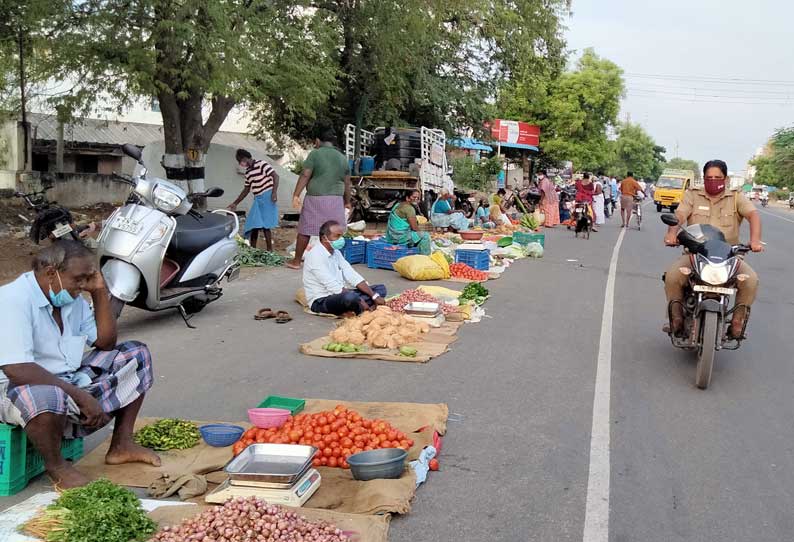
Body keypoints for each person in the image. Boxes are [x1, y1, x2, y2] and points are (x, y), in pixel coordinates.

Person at [0, 241, 160, 488]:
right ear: (52, 273)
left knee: (134, 354)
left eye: (88, 278)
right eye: (79, 279)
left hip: (65, 381)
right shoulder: (12, 300)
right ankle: (57, 466)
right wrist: (82, 397)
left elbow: (105, 342)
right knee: (47, 395)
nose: (83, 286)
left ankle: (121, 444)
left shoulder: (70, 298)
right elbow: (18, 370)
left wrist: (99, 291)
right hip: (14, 389)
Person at [663, 160, 763, 338]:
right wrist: (671, 234)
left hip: (729, 256)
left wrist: (755, 241)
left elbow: (752, 215)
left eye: (718, 177)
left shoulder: (736, 197)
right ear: (703, 178)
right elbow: (680, 215)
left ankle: (737, 323)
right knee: (672, 276)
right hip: (696, 254)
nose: (713, 180)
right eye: (709, 177)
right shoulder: (692, 195)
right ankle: (676, 319)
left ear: (725, 179)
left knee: (751, 280)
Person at [287, 126, 351, 269]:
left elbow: (305, 174)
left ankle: (296, 262)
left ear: (317, 140)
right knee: (332, 232)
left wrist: (296, 194)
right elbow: (347, 183)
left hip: (315, 199)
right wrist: (347, 202)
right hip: (336, 200)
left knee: (305, 231)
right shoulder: (342, 158)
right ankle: (331, 262)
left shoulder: (315, 154)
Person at [303, 221, 387, 316]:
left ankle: (355, 308)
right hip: (322, 300)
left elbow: (351, 275)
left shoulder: (336, 252)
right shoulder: (315, 256)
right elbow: (333, 286)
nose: (341, 239)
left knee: (380, 289)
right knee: (350, 298)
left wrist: (374, 296)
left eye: (341, 236)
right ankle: (360, 308)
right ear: (324, 238)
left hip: (340, 294)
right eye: (337, 236)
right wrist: (360, 300)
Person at [228, 149, 279, 252]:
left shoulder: (262, 164)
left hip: (267, 196)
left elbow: (275, 176)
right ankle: (253, 250)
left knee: (265, 225)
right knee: (253, 224)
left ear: (245, 158)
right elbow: (246, 189)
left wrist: (274, 192)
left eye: (240, 160)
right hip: (258, 199)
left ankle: (270, 250)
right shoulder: (248, 172)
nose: (240, 163)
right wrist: (235, 203)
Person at [384, 190, 431, 255]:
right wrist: (420, 231)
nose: (416, 199)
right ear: (407, 198)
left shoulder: (398, 205)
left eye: (418, 198)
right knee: (425, 235)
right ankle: (425, 258)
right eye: (414, 197)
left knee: (417, 235)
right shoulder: (409, 209)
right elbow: (414, 228)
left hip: (391, 236)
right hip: (399, 237)